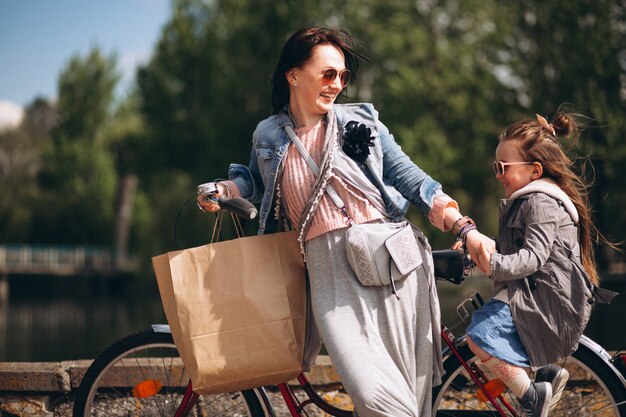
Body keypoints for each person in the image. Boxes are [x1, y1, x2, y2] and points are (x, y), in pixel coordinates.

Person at [197, 27, 494, 417]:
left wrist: (465, 228)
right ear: (293, 74)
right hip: (329, 278)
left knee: (407, 396)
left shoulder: (363, 120)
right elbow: (255, 181)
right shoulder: (268, 134)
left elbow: (413, 179)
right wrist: (223, 189)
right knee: (373, 397)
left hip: (394, 271)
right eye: (327, 73)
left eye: (342, 76)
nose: (336, 83)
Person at [465, 112, 617, 417]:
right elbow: (520, 250)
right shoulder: (527, 200)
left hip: (547, 300)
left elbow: (533, 258)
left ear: (535, 170)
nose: (498, 175)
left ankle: (532, 395)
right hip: (533, 292)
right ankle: (547, 375)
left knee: (478, 337)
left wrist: (494, 264)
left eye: (503, 167)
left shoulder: (542, 202)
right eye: (496, 167)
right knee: (483, 334)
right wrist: (477, 253)